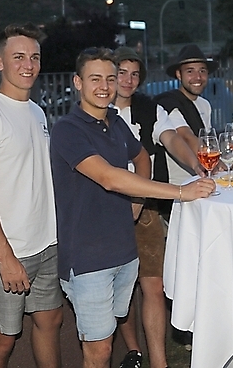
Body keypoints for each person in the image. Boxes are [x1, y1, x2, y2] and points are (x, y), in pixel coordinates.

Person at [50, 47, 216, 368]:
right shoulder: (67, 129)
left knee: (110, 335)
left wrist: (138, 203)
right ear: (77, 82)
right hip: (88, 257)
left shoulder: (114, 120)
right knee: (99, 349)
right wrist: (181, 192)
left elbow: (141, 156)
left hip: (124, 250)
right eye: (95, 78)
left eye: (110, 79)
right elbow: (110, 178)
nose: (104, 86)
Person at [0, 23, 63, 368]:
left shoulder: (36, 111)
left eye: (34, 57)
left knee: (51, 322)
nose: (28, 65)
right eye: (18, 57)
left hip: (46, 244)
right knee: (0, 343)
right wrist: (5, 257)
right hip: (5, 252)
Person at [112, 46, 204, 368]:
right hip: (106, 205)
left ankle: (159, 363)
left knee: (154, 284)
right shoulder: (96, 108)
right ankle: (133, 350)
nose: (128, 80)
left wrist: (196, 165)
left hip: (146, 206)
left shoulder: (149, 108)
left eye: (135, 74)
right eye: (122, 73)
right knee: (120, 287)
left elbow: (171, 138)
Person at [155, 44, 217, 185]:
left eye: (202, 71)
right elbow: (185, 136)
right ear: (179, 74)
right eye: (190, 71)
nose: (198, 77)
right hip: (177, 184)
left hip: (203, 179)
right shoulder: (168, 103)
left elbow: (205, 140)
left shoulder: (205, 105)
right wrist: (216, 161)